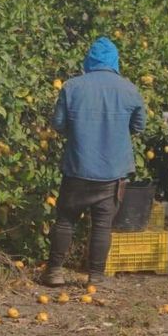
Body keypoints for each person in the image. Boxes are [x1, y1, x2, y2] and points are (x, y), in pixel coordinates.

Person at [39, 37, 146, 288]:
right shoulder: (130, 89)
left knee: (65, 220)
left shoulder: (72, 87)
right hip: (111, 173)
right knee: (101, 225)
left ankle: (54, 271)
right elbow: (139, 127)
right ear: (114, 61)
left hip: (77, 168)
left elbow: (58, 124)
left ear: (89, 60)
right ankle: (95, 277)